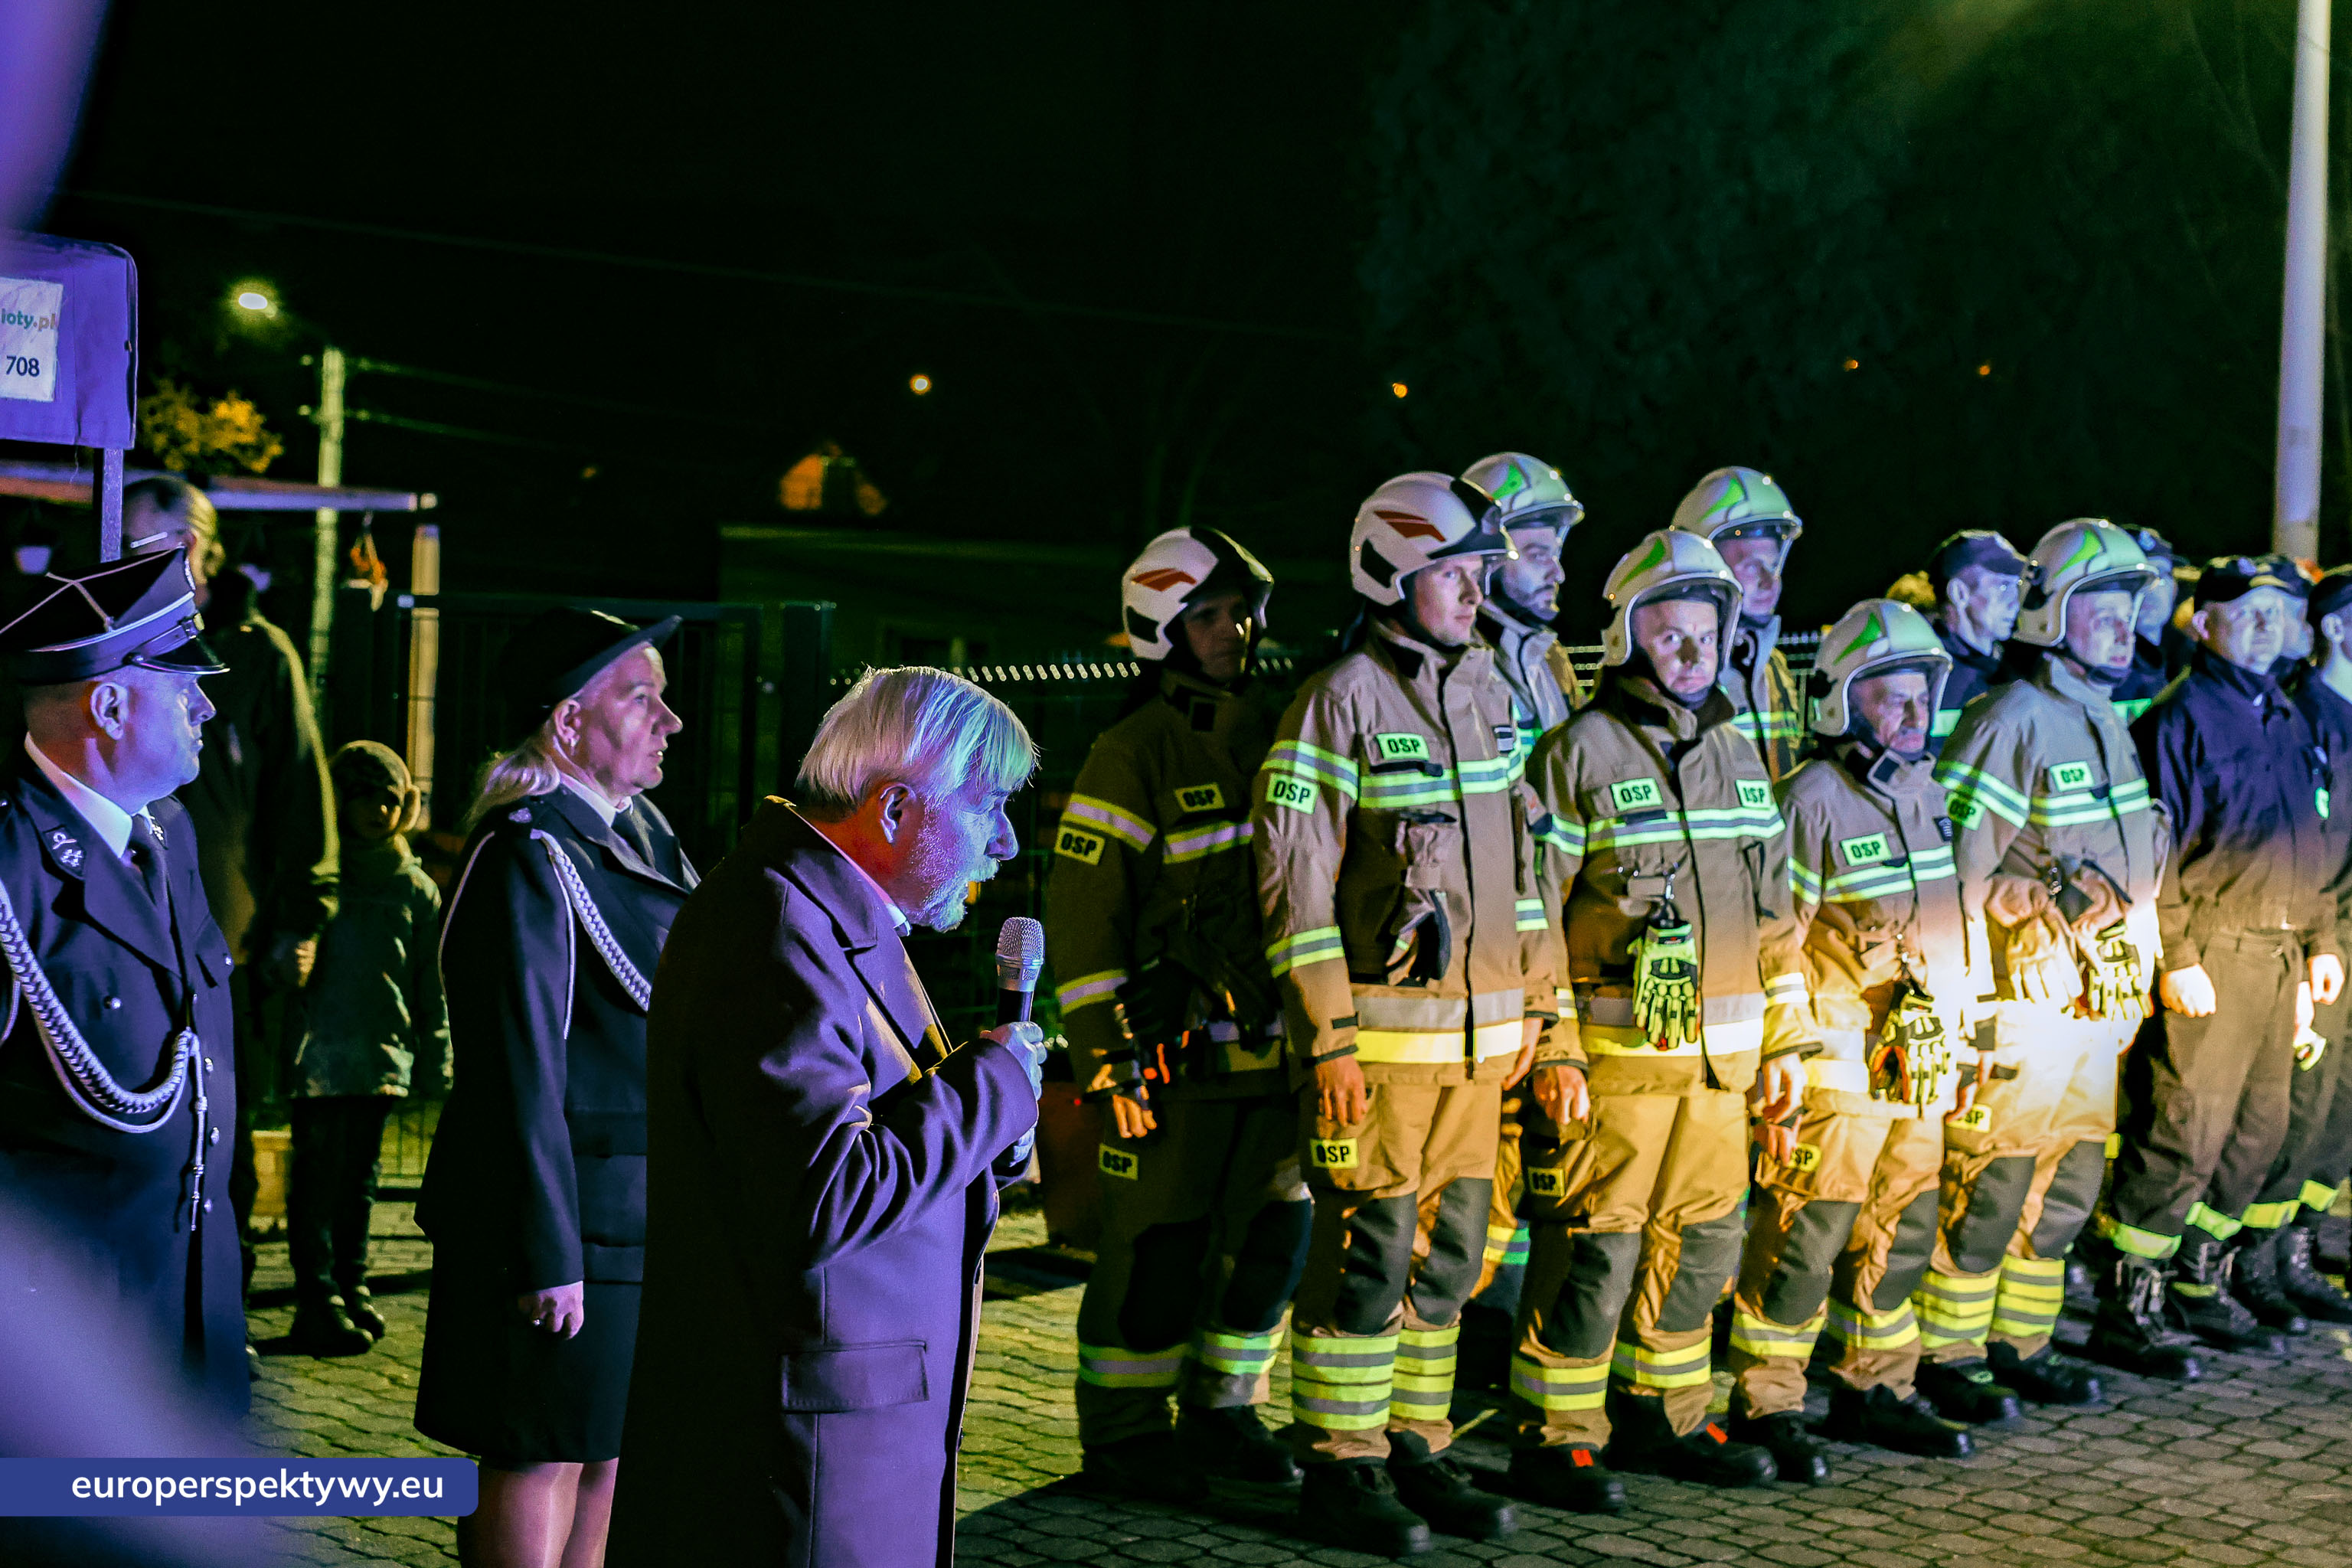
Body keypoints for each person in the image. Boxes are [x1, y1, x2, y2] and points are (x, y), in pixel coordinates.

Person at [610, 667, 1045, 1568]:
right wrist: (995, 1086)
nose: (1003, 842)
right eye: (989, 804)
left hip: (839, 1438)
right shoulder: (778, 922)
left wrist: (987, 1138)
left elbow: (874, 1123)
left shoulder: (829, 910)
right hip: (800, 1459)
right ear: (893, 812)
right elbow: (825, 1190)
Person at [1252, 472, 1543, 1556]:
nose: (1475, 591)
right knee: (1368, 1255)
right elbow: (1296, 890)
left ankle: (1414, 1444)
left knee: (1451, 1256)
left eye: (1478, 572)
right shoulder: (1337, 704)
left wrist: (1535, 1016)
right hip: (1374, 1056)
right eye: (1454, 573)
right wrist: (1326, 1038)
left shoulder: (1489, 696)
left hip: (1479, 1053)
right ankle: (1341, 1462)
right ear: (1392, 574)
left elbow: (1526, 877)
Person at [1505, 528, 1805, 1510]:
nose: (1693, 652)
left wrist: (1789, 1040)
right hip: (1615, 1062)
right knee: (1598, 1245)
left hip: (1722, 1069)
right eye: (1670, 635)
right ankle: (1555, 1435)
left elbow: (1777, 916)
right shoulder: (1572, 756)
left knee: (1705, 1242)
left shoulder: (1739, 753)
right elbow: (1529, 911)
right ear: (1629, 638)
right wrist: (1552, 1043)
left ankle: (1664, 1414)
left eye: (1706, 633)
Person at [415, 608, 691, 1568]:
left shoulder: (636, 837)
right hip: (562, 1218)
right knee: (539, 1455)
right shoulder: (529, 850)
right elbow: (518, 1068)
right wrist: (546, 1250)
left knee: (609, 1450)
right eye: (641, 697)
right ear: (570, 723)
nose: (671, 720)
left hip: (631, 1211)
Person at [1047, 528, 1307, 1507]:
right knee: (1158, 1250)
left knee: (1269, 1247)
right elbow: (1084, 930)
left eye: (1241, 610)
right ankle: (1121, 1433)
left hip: (1275, 1055)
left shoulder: (1282, 727)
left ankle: (1224, 1409)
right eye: (1207, 614)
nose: (1233, 629)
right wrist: (1108, 1061)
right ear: (1162, 628)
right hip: (1172, 1061)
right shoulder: (1132, 753)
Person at [1724, 599, 1980, 1485]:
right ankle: (1767, 1395)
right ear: (1842, 703)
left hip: (1921, 1064)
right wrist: (1786, 1052)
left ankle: (1874, 1382)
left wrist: (1965, 1029)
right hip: (1841, 1066)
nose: (1913, 717)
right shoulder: (1809, 800)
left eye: (1922, 699)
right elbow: (1774, 939)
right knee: (1806, 1235)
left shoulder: (1930, 795)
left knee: (1899, 1230)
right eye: (1891, 700)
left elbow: (1953, 928)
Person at [1932, 521, 2194, 1383]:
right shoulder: (2010, 719)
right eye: (2104, 612)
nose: (2126, 629)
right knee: (1991, 1179)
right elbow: (1957, 868)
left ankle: (2022, 1344)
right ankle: (1949, 1352)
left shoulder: (2107, 725)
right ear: (2053, 617)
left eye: (2132, 611)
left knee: (2070, 1181)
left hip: (2092, 1008)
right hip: (2021, 1005)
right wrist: (1963, 1000)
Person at [0, 548, 244, 1415]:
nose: (206, 706)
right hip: (64, 1330)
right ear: (107, 704)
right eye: (183, 687)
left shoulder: (167, 834)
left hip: (189, 1297)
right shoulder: (10, 859)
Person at [2099, 557, 2339, 1354]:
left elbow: (2312, 845)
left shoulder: (2285, 713)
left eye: (2280, 610)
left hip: (2278, 953)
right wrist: (2177, 954)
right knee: (2184, 1131)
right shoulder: (2180, 718)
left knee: (2258, 1131)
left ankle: (2200, 1277)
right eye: (2249, 610)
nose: (2269, 624)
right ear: (2203, 624)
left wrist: (2321, 943)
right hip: (2215, 950)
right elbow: (2155, 852)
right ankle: (2131, 1302)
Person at [124, 475, 337, 1348]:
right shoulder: (90, 638)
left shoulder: (256, 654)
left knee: (225, 1132)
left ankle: (215, 1306)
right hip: (107, 936)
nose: (180, 562)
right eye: (151, 545)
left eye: (188, 544)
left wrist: (302, 915)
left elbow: (298, 793)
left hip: (227, 943)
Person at [1456, 450, 1586, 1383]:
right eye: (1537, 547)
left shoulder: (1548, 664)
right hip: (1478, 966)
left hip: (1554, 951)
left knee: (1539, 1168)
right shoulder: (1456, 671)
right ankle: (1458, 1352)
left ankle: (1498, 1348)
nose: (1557, 568)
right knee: (1468, 1186)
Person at [284, 740, 449, 1357]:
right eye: (364, 799)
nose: (379, 812)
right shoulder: (321, 880)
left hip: (381, 1058)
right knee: (318, 1180)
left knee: (360, 1182)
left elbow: (430, 982)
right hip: (321, 1057)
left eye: (390, 800)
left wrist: (436, 1055)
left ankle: (350, 1285)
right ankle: (317, 1294)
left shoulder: (414, 889)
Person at [2260, 564, 2352, 1324]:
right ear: (2339, 629)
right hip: (2326, 932)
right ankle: (2258, 1257)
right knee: (2299, 1105)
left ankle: (2303, 1237)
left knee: (2342, 1107)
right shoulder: (2303, 714)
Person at [1669, 466, 1806, 778]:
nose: (1770, 581)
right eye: (1750, 566)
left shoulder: (1773, 669)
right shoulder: (1675, 673)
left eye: (1773, 564)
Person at [1924, 530, 2029, 750]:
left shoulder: (2015, 668)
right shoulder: (1925, 673)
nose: (2016, 602)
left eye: (2017, 586)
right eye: (2002, 586)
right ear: (1959, 593)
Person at [2113, 527, 2185, 720]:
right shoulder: (2095, 665)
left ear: (2175, 589)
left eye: (2160, 576)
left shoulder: (2192, 659)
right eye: (2137, 577)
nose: (2150, 588)